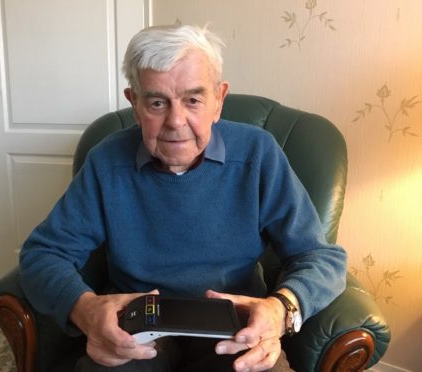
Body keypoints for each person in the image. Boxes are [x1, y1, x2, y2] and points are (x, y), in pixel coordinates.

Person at [19, 24, 347, 372]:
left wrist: (281, 309)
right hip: (139, 328)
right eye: (157, 102)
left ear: (219, 99)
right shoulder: (107, 161)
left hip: (232, 325)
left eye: (193, 100)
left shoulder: (258, 154)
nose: (176, 121)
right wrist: (84, 309)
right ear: (134, 103)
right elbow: (42, 255)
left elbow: (321, 258)